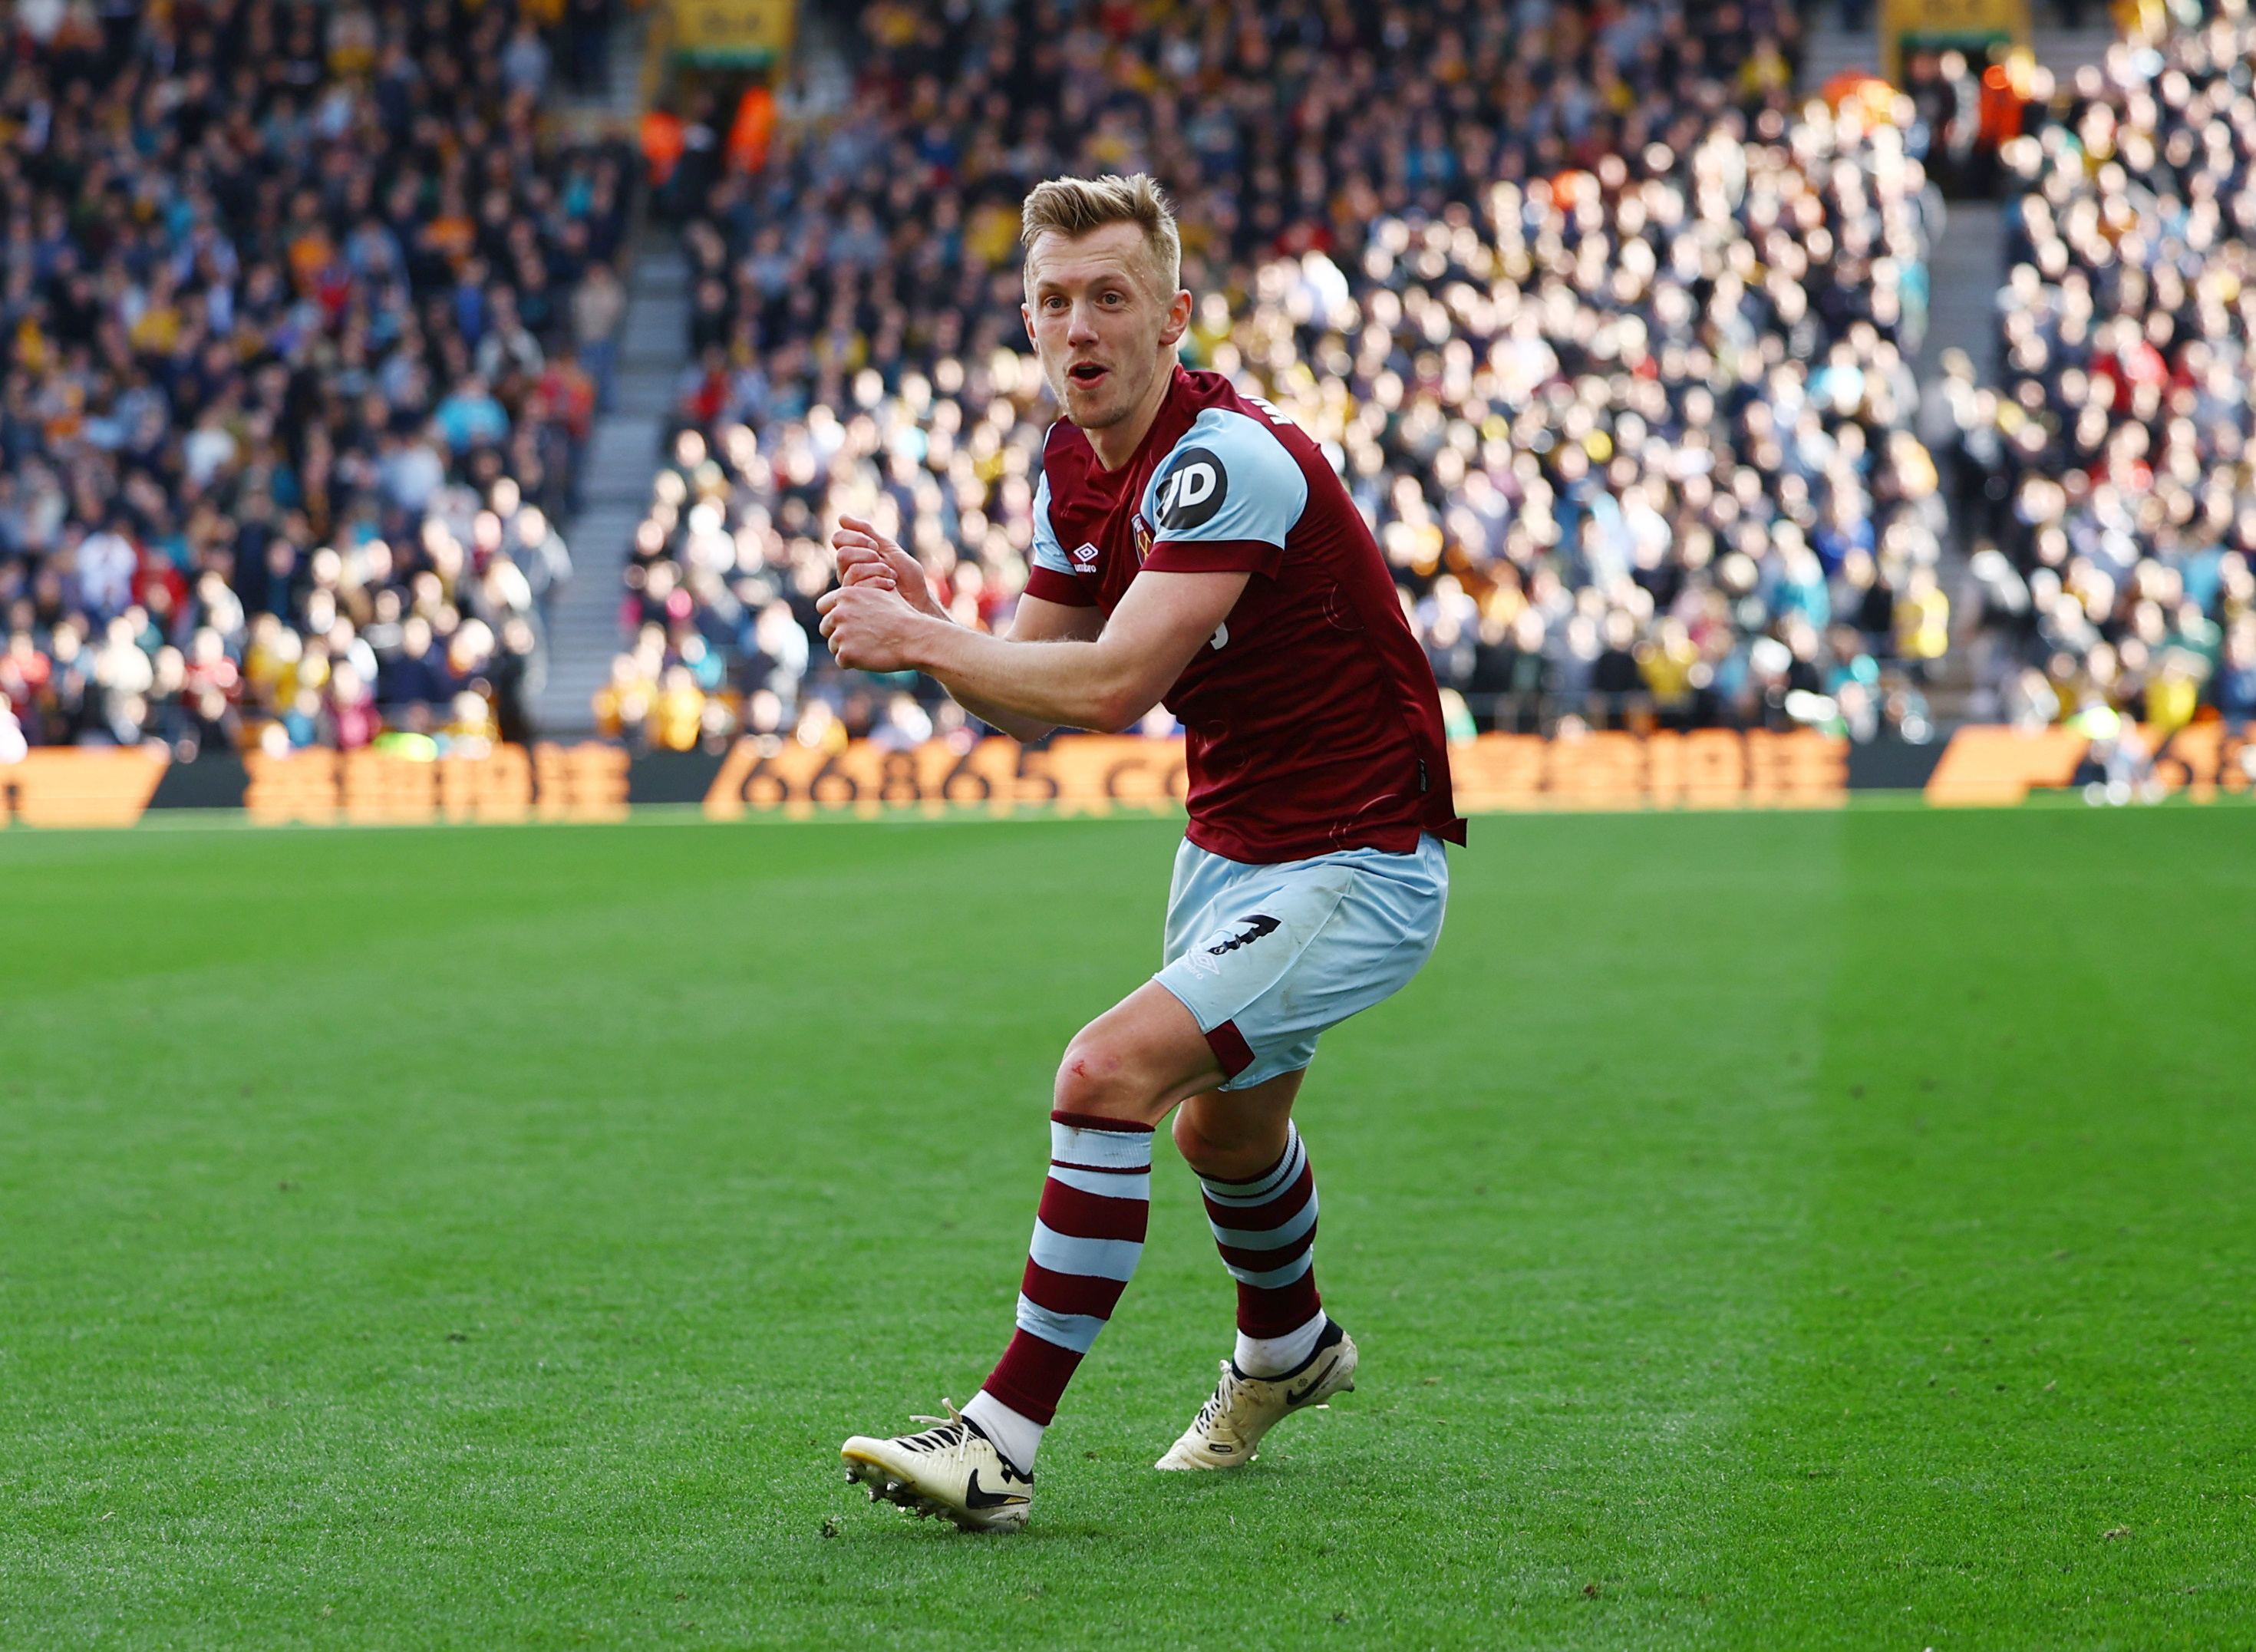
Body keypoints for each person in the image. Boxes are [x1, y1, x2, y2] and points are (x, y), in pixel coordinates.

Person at [820, 175, 1464, 1532]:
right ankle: (1289, 1348)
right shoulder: (1072, 468)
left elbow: (1114, 685)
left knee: (1103, 1073)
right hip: (1232, 845)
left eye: (1110, 296)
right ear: (1028, 324)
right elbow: (1031, 699)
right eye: (1053, 301)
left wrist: (924, 639)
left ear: (1173, 318)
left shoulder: (1226, 460)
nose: (1080, 327)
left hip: (1357, 852)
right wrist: (946, 637)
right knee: (1222, 1130)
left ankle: (997, 1443)